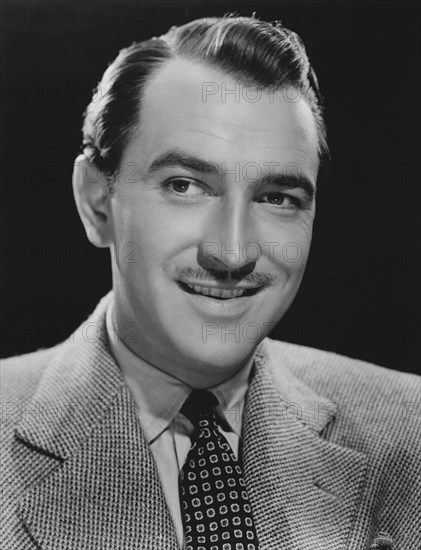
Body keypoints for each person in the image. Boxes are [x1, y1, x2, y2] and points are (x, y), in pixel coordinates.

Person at [1, 14, 419, 550]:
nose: (233, 252)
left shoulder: (412, 430)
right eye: (185, 186)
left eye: (277, 198)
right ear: (97, 201)